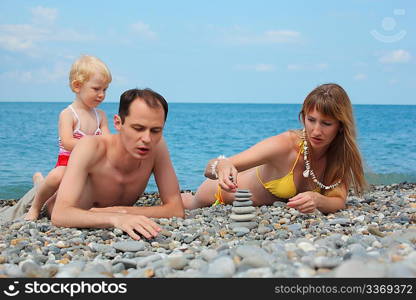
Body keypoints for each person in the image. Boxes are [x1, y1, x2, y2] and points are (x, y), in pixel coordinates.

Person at [183, 83, 367, 214]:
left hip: (250, 208)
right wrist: (222, 166)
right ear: (303, 117)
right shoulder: (285, 144)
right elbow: (211, 167)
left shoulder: (341, 155)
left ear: (341, 126)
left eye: (326, 124)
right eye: (311, 120)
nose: (316, 131)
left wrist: (318, 200)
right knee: (187, 205)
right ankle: (178, 196)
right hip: (217, 193)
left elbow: (338, 201)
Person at [50, 88, 185, 240]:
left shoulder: (158, 147)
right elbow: (60, 214)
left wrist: (122, 212)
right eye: (138, 128)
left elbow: (176, 209)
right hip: (50, 196)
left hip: (104, 210)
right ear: (118, 123)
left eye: (155, 130)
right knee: (50, 182)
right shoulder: (90, 147)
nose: (147, 138)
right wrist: (115, 218)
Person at [25, 55, 112, 221]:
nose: (101, 94)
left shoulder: (100, 115)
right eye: (96, 89)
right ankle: (35, 206)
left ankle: (40, 184)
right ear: (77, 86)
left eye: (105, 90)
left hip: (91, 167)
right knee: (56, 177)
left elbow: (108, 141)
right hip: (68, 163)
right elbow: (67, 142)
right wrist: (91, 147)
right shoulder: (68, 114)